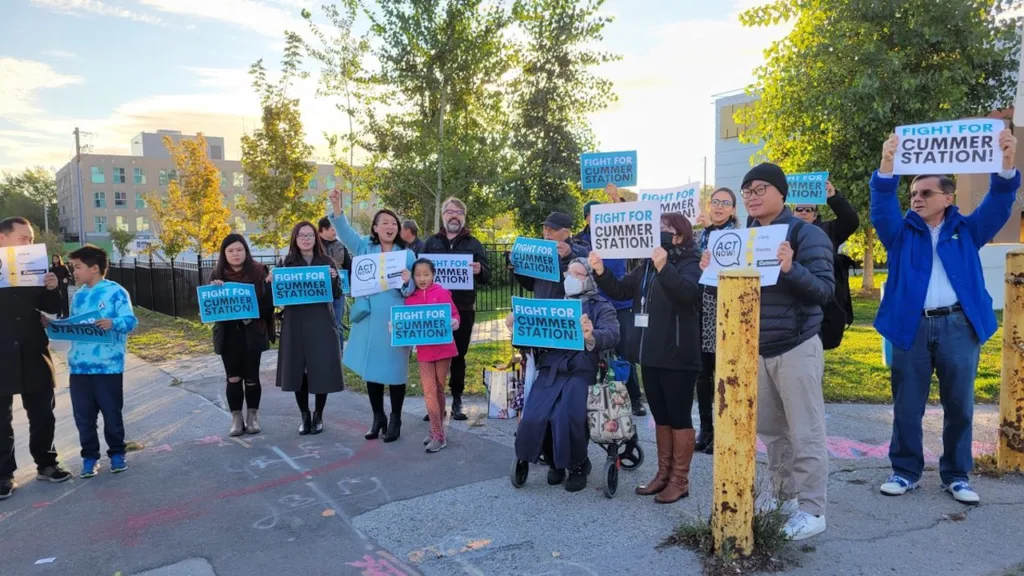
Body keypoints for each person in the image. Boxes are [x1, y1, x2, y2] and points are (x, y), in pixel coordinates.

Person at [872, 129, 1018, 505]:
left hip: (957, 326)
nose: (917, 199)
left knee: (959, 404)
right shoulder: (900, 233)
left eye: (926, 193)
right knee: (907, 404)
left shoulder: (967, 230)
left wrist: (1005, 163)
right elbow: (882, 205)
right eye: (913, 194)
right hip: (912, 327)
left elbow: (1000, 202)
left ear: (948, 198)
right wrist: (887, 165)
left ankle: (956, 475)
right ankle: (905, 471)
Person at [703, 162, 834, 541]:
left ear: (781, 193)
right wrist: (712, 272)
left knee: (805, 429)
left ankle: (812, 509)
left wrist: (791, 268)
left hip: (796, 345)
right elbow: (730, 293)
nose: (752, 196)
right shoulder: (744, 238)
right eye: (747, 191)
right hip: (756, 348)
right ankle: (784, 497)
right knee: (774, 432)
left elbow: (824, 291)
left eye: (760, 189)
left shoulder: (805, 234)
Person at [591, 213, 702, 504]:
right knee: (661, 417)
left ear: (680, 235)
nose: (661, 232)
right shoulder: (646, 266)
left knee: (679, 418)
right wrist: (601, 272)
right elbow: (622, 290)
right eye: (659, 228)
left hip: (679, 355)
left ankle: (680, 480)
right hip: (651, 354)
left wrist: (665, 267)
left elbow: (688, 294)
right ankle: (662, 475)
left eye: (667, 229)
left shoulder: (692, 262)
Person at [509, 257, 619, 492]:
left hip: (582, 368)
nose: (571, 278)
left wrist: (592, 336)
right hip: (552, 367)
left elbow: (612, 334)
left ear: (589, 279)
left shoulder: (601, 306)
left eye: (578, 274)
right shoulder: (554, 305)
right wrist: (517, 327)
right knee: (534, 414)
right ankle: (553, 460)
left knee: (565, 414)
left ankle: (578, 464)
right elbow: (533, 338)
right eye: (568, 273)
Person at [328, 188, 416, 442]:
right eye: (384, 223)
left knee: (396, 370)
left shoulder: (407, 255)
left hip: (394, 320)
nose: (389, 226)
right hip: (369, 319)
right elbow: (344, 232)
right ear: (375, 228)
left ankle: (396, 418)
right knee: (372, 369)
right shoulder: (365, 247)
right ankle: (378, 417)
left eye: (393, 223)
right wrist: (337, 206)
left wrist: (407, 281)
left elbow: (412, 290)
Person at [0, 217, 72, 500]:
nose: (29, 243)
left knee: (43, 413)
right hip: (1, 353)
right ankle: (3, 474)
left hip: (33, 350)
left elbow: (54, 309)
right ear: (2, 239)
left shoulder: (35, 267)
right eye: (23, 238)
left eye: (31, 239)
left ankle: (47, 463)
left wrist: (53, 287)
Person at [54, 245, 138, 477]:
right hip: (80, 367)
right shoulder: (79, 295)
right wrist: (55, 327)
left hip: (108, 366)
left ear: (95, 268)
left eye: (78, 267)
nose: (74, 272)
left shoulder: (115, 292)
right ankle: (90, 458)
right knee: (83, 417)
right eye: (73, 268)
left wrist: (113, 323)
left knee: (112, 413)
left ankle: (117, 454)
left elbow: (130, 321)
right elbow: (76, 326)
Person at [574, 196, 646, 418]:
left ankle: (634, 398)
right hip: (592, 303)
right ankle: (595, 398)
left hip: (619, 303)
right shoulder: (580, 242)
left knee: (624, 352)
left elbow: (637, 227)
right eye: (593, 216)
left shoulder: (618, 234)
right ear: (586, 218)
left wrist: (619, 200)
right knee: (592, 348)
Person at [420, 197, 491, 422]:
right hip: (434, 310)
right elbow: (419, 273)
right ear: (442, 215)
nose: (454, 215)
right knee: (433, 356)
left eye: (459, 212)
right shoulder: (430, 243)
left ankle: (457, 400)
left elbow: (488, 276)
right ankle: (434, 402)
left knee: (458, 355)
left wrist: (480, 270)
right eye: (450, 211)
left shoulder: (474, 244)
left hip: (462, 308)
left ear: (464, 217)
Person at [272, 222, 345, 436]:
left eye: (310, 235)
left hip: (321, 321)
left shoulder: (327, 262)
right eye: (301, 235)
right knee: (298, 371)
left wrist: (333, 279)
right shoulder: (286, 263)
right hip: (295, 323)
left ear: (316, 239)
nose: (306, 239)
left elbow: (338, 293)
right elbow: (279, 296)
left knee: (320, 368)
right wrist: (271, 282)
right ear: (295, 238)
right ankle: (304, 415)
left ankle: (318, 415)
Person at [209, 234, 276, 437]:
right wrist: (215, 290)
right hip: (229, 335)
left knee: (252, 378)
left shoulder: (259, 272)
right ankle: (236, 418)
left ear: (246, 251)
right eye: (230, 251)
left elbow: (268, 307)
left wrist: (268, 286)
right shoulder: (217, 275)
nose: (235, 254)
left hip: (253, 332)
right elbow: (209, 307)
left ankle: (252, 417)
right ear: (224, 254)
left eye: (239, 250)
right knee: (233, 378)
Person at [693, 188, 740, 455]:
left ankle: (724, 431)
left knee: (724, 374)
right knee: (702, 375)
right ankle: (706, 430)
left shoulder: (739, 235)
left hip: (726, 311)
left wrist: (709, 227)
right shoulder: (699, 236)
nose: (719, 207)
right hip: (700, 310)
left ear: (733, 209)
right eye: (715, 202)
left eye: (725, 203)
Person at [793, 181, 860, 350]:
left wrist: (833, 197)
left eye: (809, 210)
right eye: (799, 209)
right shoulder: (783, 231)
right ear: (792, 212)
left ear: (815, 215)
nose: (803, 213)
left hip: (821, 300)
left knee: (815, 351)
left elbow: (850, 221)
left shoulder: (828, 230)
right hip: (792, 300)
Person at [402, 258, 460, 453]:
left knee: (439, 388)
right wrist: (397, 327)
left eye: (426, 274)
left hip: (444, 349)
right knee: (429, 390)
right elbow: (406, 322)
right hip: (425, 351)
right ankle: (437, 432)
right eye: (418, 275)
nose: (422, 278)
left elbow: (455, 315)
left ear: (433, 274)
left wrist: (454, 322)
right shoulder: (410, 299)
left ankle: (437, 431)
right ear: (413, 276)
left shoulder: (443, 293)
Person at [512, 212, 590, 299]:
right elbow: (531, 285)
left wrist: (569, 257)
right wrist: (516, 267)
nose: (547, 233)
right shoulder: (539, 251)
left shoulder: (581, 251)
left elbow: (586, 284)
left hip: (566, 309)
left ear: (566, 233)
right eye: (545, 228)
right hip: (543, 309)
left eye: (553, 229)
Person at [319, 217, 353, 355]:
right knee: (321, 324)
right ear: (323, 230)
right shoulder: (314, 246)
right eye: (333, 229)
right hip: (319, 292)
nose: (335, 232)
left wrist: (351, 288)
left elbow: (349, 268)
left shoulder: (341, 246)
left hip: (338, 291)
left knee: (337, 324)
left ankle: (338, 353)